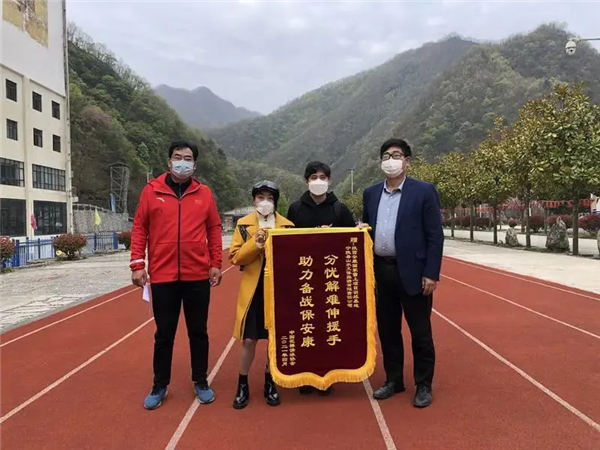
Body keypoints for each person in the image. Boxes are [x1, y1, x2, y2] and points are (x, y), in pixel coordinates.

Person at [130, 140, 223, 410]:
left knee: (198, 332)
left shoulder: (204, 193)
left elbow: (214, 228)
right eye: (178, 157)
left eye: (188, 158)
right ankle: (160, 385)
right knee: (164, 334)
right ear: (169, 161)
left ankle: (200, 381)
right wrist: (137, 264)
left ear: (195, 164)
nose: (183, 162)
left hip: (197, 276)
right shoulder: (152, 190)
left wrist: (216, 262)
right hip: (163, 276)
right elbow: (140, 227)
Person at [361, 138, 443, 408]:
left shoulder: (424, 191)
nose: (390, 161)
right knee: (388, 331)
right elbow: (367, 230)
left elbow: (435, 235)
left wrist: (431, 273)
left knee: (420, 332)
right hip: (381, 272)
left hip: (414, 273)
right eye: (386, 156)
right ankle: (394, 380)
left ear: (407, 161)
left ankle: (423, 384)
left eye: (396, 155)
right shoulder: (371, 193)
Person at [286, 161, 356, 396]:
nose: (319, 181)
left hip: (329, 281)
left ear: (330, 180)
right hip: (303, 280)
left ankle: (327, 375)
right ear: (306, 181)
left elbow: (352, 243)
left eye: (323, 177)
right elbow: (286, 243)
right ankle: (305, 376)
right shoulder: (295, 209)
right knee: (305, 327)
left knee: (327, 329)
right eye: (314, 177)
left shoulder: (339, 209)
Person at [229, 180, 294, 409]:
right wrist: (254, 244)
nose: (265, 202)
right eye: (260, 197)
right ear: (254, 200)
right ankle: (242, 384)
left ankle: (270, 381)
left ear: (275, 202)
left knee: (274, 339)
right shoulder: (243, 225)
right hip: (253, 291)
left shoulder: (287, 226)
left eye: (269, 198)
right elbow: (235, 257)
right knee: (249, 339)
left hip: (278, 290)